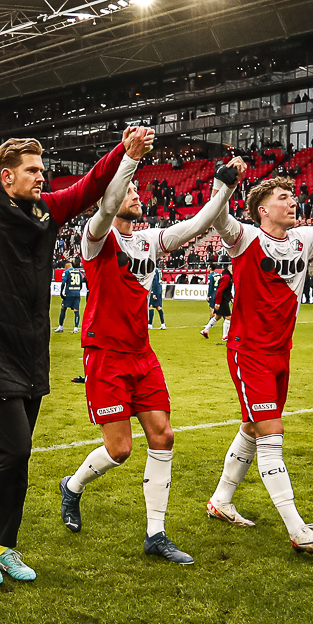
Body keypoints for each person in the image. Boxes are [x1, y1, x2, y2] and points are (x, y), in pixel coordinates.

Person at [0, 106, 135, 584]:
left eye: (43, 171)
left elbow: (87, 188)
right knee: (15, 449)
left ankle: (8, 547)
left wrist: (123, 152)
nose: (41, 177)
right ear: (6, 176)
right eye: (32, 170)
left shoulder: (46, 212)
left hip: (31, 349)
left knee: (21, 457)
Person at [57, 145, 233, 563]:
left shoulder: (150, 240)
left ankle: (156, 534)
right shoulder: (96, 237)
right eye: (129, 190)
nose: (137, 195)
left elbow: (196, 225)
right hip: (105, 353)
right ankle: (73, 486)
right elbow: (105, 209)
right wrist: (128, 162)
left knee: (164, 436)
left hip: (141, 353)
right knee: (119, 450)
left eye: (136, 189)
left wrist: (224, 187)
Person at [202, 129, 313, 552]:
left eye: (292, 196)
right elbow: (216, 218)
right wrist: (225, 183)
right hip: (249, 351)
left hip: (281, 351)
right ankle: (296, 528)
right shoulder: (244, 238)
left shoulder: (304, 239)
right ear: (261, 210)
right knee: (272, 436)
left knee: (251, 427)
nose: (292, 200)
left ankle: (221, 500)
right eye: (282, 197)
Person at [200, 266, 233, 340]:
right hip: (222, 300)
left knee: (218, 316)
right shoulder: (227, 277)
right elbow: (220, 290)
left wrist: (231, 298)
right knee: (228, 317)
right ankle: (225, 336)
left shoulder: (227, 277)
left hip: (222, 299)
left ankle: (205, 330)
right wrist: (217, 302)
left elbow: (227, 290)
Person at [56, 258, 84, 332]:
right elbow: (81, 283)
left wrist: (61, 292)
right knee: (76, 310)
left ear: (66, 266)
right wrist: (78, 290)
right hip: (77, 293)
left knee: (63, 308)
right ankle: (76, 328)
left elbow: (63, 283)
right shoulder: (78, 272)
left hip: (69, 293)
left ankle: (60, 326)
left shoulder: (67, 272)